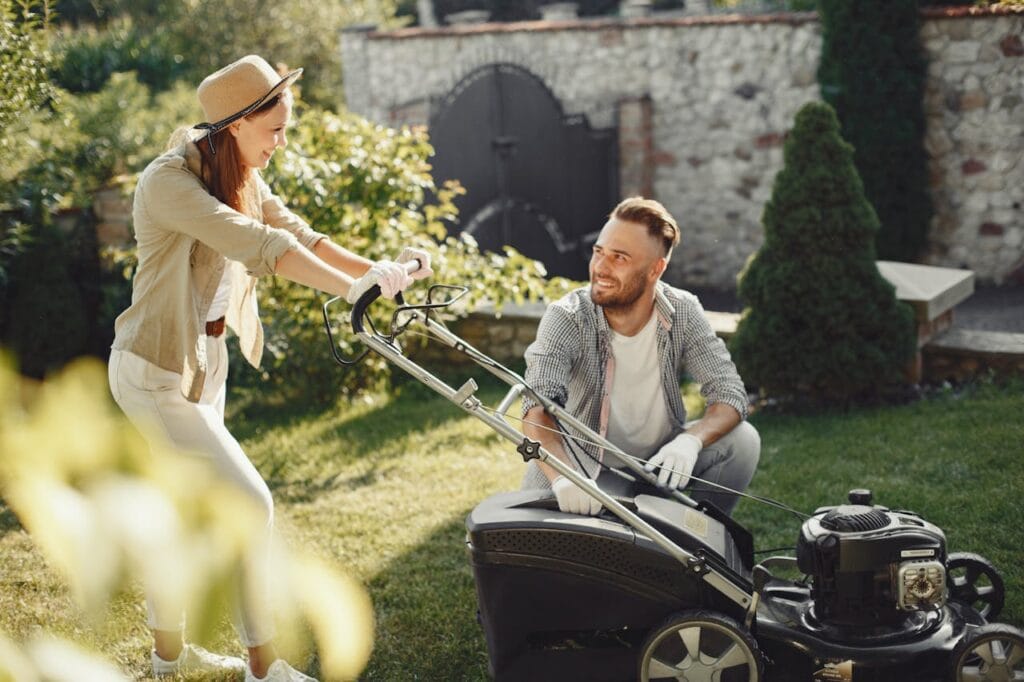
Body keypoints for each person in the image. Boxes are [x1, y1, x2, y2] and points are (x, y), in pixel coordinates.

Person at [107, 55, 431, 681]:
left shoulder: (241, 173)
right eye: (274, 131)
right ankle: (265, 668)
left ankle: (167, 661)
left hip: (208, 363)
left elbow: (300, 235)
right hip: (155, 373)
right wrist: (352, 290)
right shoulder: (170, 182)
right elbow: (262, 248)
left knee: (189, 517)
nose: (282, 143)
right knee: (249, 506)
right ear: (234, 125)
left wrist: (379, 272)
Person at [520, 197, 759, 517]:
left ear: (655, 269)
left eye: (619, 258)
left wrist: (690, 442)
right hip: (585, 468)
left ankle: (700, 541)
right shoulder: (568, 317)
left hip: (659, 463)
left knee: (741, 441)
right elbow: (536, 408)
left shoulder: (683, 310)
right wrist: (564, 479)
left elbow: (730, 393)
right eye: (599, 252)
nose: (600, 268)